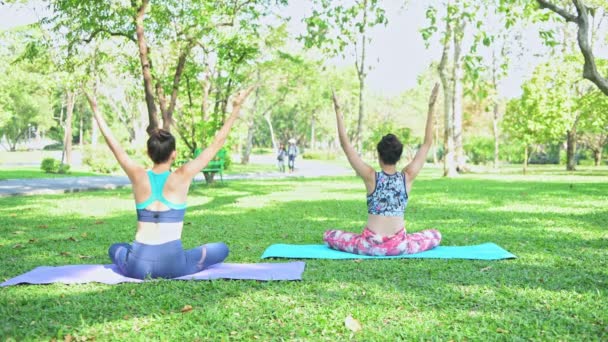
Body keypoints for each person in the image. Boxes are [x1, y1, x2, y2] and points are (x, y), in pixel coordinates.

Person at [90, 87, 254, 279]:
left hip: (137, 267)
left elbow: (115, 146)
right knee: (222, 249)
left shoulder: (137, 175)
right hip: (174, 265)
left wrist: (96, 110)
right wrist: (236, 107)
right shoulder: (182, 175)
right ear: (174, 154)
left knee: (116, 248)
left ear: (149, 153)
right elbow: (216, 144)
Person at [323, 86, 442, 256]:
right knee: (436, 234)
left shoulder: (371, 177)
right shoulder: (407, 177)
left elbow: (346, 145)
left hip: (370, 246)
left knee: (329, 235)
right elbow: (427, 143)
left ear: (379, 155)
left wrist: (337, 108)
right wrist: (431, 107)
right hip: (400, 246)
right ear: (399, 156)